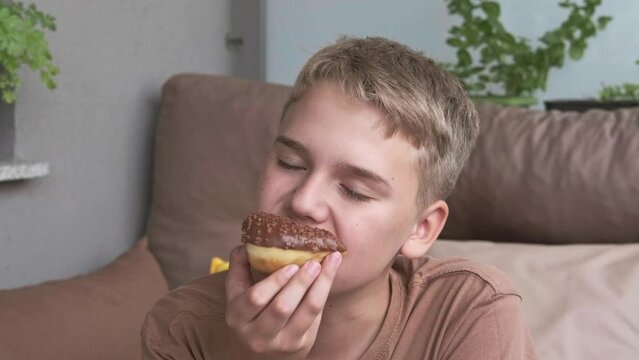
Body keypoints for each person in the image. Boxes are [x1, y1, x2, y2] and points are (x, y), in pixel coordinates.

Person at [141, 36, 537, 360]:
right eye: (290, 162)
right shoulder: (179, 329)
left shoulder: (471, 310)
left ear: (421, 229)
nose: (304, 202)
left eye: (355, 190)